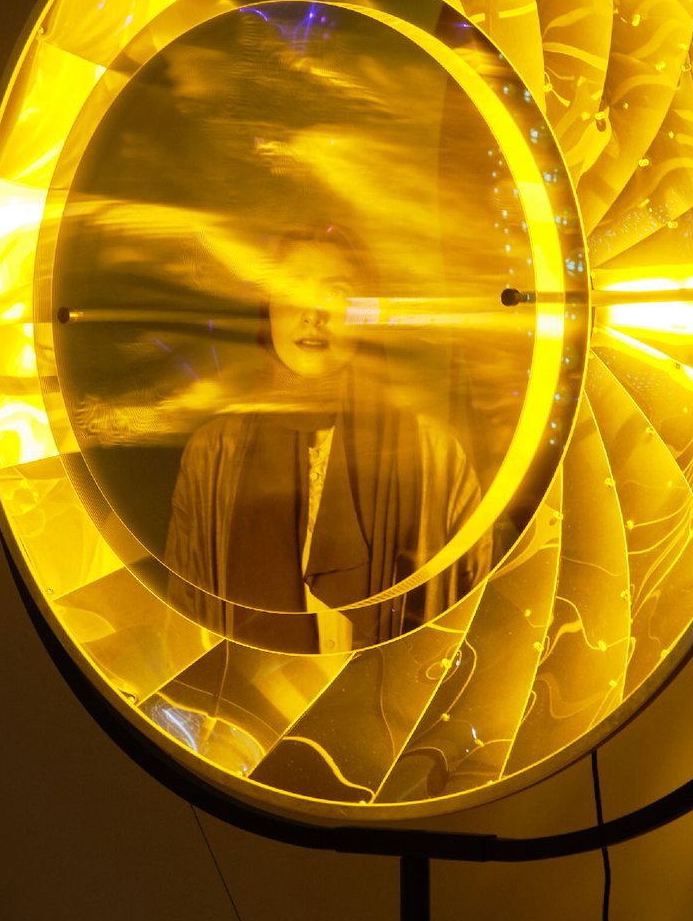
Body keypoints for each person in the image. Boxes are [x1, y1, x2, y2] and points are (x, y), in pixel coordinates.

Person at [162, 237, 487, 648]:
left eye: (336, 294)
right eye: (292, 291)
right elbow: (185, 619)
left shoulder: (432, 453)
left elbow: (473, 612)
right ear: (269, 310)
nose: (312, 315)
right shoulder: (214, 453)